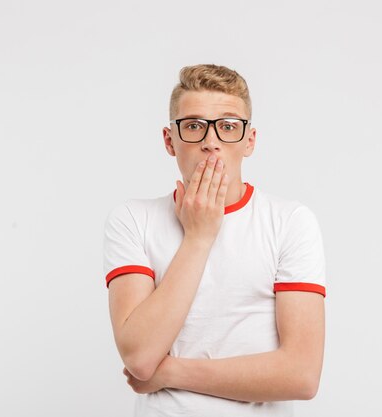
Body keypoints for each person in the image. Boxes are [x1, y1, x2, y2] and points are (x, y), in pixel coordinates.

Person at [103, 64, 326, 417]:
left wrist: (172, 372)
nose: (211, 142)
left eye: (227, 126)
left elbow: (302, 376)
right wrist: (198, 237)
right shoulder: (133, 219)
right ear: (169, 141)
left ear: (249, 140)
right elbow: (141, 358)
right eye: (193, 125)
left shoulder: (290, 222)